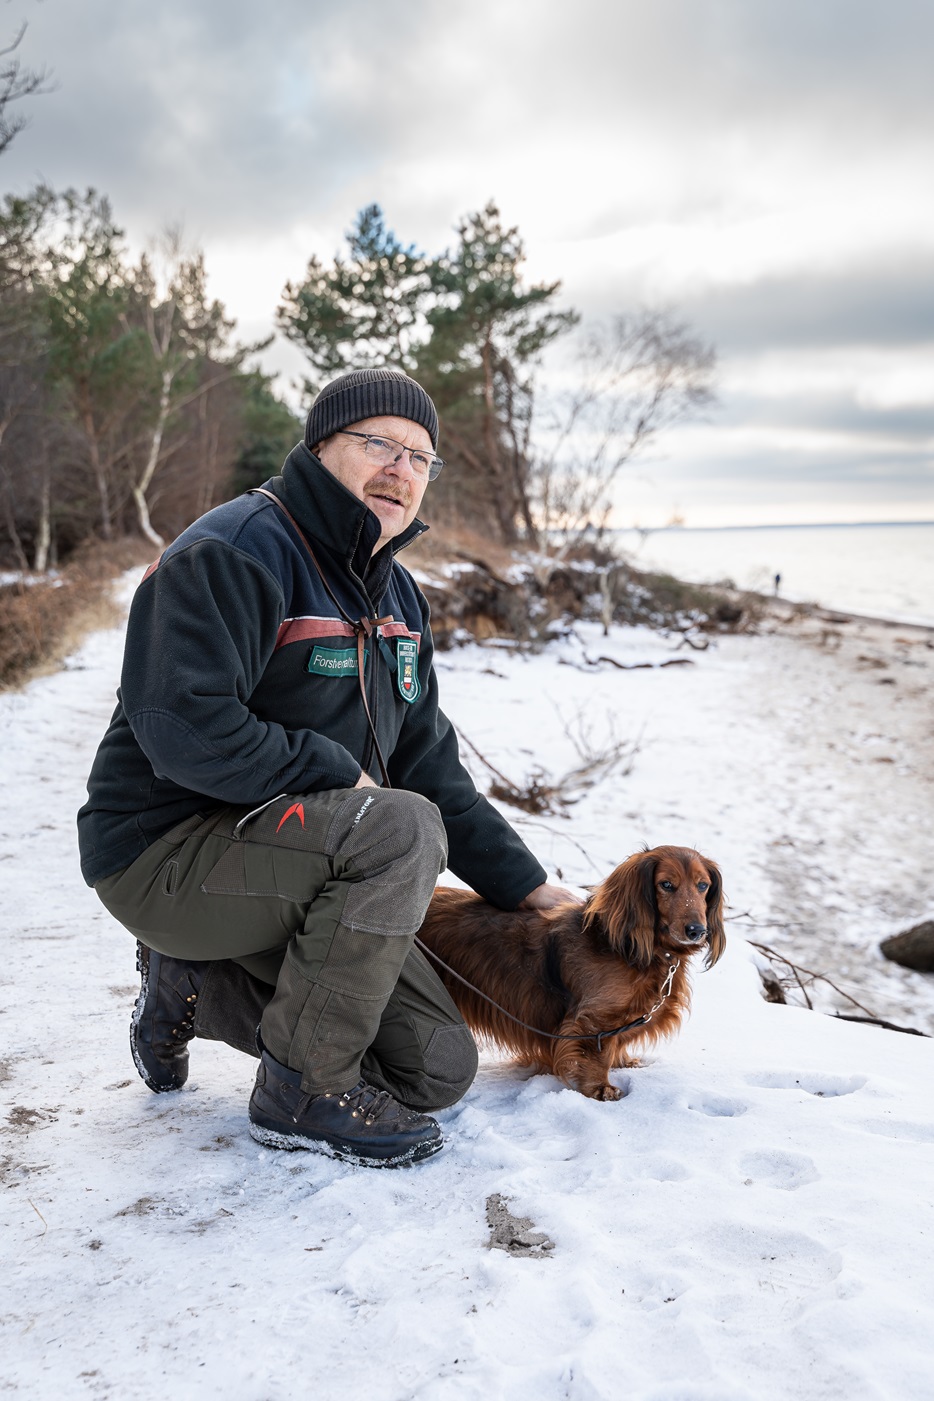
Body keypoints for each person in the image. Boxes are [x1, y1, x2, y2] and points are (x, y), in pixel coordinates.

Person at [78, 368, 572, 1169]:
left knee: (438, 1066)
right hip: (161, 853)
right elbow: (183, 728)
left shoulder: (399, 600)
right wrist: (336, 773)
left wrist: (528, 884)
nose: (401, 470)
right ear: (320, 447)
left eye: (419, 457)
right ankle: (302, 1090)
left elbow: (429, 768)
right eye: (379, 443)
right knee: (400, 828)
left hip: (292, 860)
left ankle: (191, 988)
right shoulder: (234, 551)